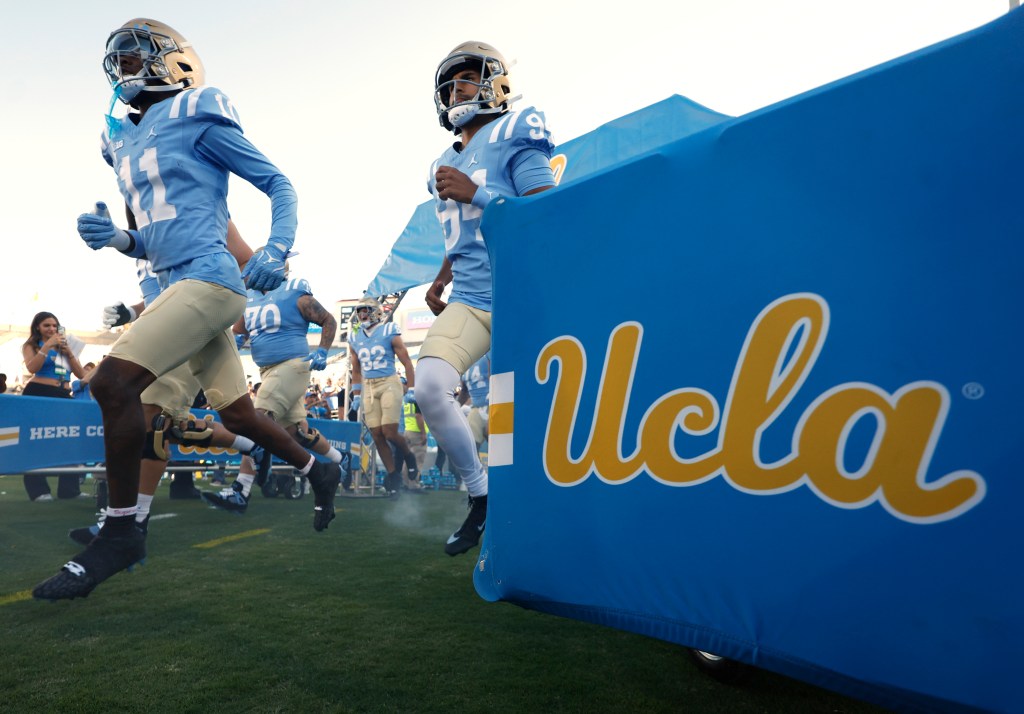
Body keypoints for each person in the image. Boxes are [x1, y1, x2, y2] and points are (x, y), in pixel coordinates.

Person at [33, 19, 340, 602]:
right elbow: (157, 241)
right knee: (243, 417)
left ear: (174, 61)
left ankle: (123, 530)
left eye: (134, 58)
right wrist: (118, 239)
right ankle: (316, 469)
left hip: (211, 283)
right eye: (117, 62)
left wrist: (276, 249)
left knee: (115, 385)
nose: (123, 71)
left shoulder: (198, 107)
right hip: (178, 282)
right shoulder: (124, 140)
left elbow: (278, 183)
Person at [417, 42, 555, 556]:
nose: (459, 91)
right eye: (451, 84)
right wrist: (441, 276)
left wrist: (477, 193)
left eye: (469, 79)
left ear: (495, 83)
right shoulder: (440, 161)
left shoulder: (514, 130)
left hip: (525, 295)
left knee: (527, 418)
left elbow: (547, 215)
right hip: (472, 297)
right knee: (430, 388)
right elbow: (465, 234)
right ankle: (481, 495)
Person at [202, 267, 344, 514]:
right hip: (267, 371)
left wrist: (322, 349)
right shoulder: (249, 297)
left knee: (255, 422)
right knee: (296, 434)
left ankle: (241, 490)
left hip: (292, 365)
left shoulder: (293, 292)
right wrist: (233, 343)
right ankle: (339, 460)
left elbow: (327, 319)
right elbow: (239, 332)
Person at [348, 296, 418, 497]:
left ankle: (408, 455)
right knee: (376, 434)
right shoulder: (355, 336)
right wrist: (357, 394)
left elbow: (407, 362)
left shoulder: (389, 330)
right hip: (369, 386)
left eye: (366, 310)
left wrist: (411, 388)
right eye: (360, 311)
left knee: (389, 432)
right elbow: (356, 368)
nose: (362, 315)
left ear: (376, 312)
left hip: (388, 381)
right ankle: (393, 475)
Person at [21, 312, 88, 501]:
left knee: (70, 439)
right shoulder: (31, 345)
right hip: (39, 393)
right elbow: (32, 368)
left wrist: (69, 353)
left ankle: (70, 490)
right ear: (37, 328)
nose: (51, 329)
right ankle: (39, 491)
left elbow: (82, 375)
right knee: (37, 441)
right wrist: (47, 347)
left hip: (63, 395)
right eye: (46, 325)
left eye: (54, 325)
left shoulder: (64, 347)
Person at [400, 377, 427, 490]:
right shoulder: (418, 397)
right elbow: (418, 416)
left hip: (407, 430)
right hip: (416, 432)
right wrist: (423, 433)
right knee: (417, 460)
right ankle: (414, 484)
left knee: (408, 460)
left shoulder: (406, 398)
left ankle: (406, 483)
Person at [462, 351, 491, 454]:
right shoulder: (464, 361)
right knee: (468, 448)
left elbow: (497, 379)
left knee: (498, 445)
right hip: (476, 408)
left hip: (492, 405)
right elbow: (464, 391)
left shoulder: (488, 354)